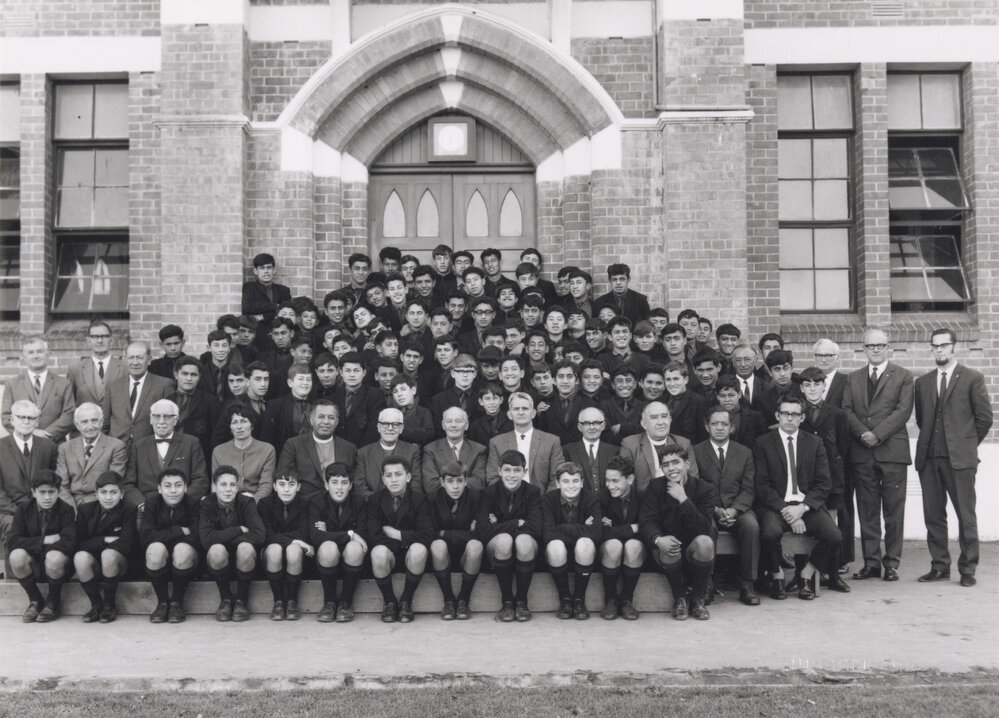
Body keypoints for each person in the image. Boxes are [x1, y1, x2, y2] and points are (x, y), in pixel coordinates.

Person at [914, 329, 993, 588]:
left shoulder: (972, 378)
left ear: (954, 347)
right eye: (935, 346)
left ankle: (968, 568)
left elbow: (984, 419)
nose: (939, 350)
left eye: (944, 345)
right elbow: (922, 420)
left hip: (960, 460)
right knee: (934, 516)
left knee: (965, 515)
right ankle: (939, 566)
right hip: (930, 459)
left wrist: (965, 444)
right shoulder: (923, 383)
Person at [754, 394, 843, 600]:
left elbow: (823, 483)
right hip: (776, 506)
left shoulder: (814, 443)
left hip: (805, 506)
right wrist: (787, 511)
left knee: (834, 536)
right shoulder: (763, 443)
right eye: (785, 413)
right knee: (768, 533)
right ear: (778, 415)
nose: (790, 418)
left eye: (795, 414)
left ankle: (806, 573)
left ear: (802, 418)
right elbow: (762, 485)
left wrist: (802, 509)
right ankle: (776, 574)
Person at [842, 328, 914, 582]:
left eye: (880, 345)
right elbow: (847, 410)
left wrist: (877, 434)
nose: (875, 349)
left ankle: (891, 563)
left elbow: (903, 411)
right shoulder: (852, 378)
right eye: (870, 345)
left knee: (894, 511)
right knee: (867, 510)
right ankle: (871, 563)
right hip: (862, 452)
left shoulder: (903, 376)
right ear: (864, 349)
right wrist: (863, 433)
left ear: (887, 347)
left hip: (892, 451)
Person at [639, 444, 716, 621]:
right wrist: (658, 540)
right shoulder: (655, 487)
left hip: (691, 551)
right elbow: (647, 521)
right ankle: (679, 598)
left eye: (676, 462)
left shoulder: (704, 489)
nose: (671, 468)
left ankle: (697, 599)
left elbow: (704, 527)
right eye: (666, 465)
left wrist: (683, 498)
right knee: (669, 547)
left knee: (705, 542)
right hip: (665, 551)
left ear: (687, 465)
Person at [693, 407, 761, 606]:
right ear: (707, 427)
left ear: (732, 427)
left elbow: (749, 488)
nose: (719, 428)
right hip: (708, 508)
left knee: (752, 526)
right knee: (706, 528)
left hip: (737, 508)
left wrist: (735, 509)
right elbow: (695, 485)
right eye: (714, 424)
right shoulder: (696, 451)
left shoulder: (745, 452)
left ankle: (747, 583)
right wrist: (714, 508)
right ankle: (706, 583)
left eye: (724, 424)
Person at [478, 449, 542, 622]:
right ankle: (507, 601)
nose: (512, 475)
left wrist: (498, 525)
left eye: (517, 470)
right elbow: (483, 531)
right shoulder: (488, 493)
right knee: (505, 539)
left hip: (526, 547)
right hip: (497, 548)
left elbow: (536, 528)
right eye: (507, 470)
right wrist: (517, 523)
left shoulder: (533, 492)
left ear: (524, 471)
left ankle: (521, 601)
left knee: (522, 540)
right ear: (499, 471)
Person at [6, 470, 76, 623]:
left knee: (54, 557)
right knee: (16, 555)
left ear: (58, 492)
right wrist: (44, 540)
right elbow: (12, 540)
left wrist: (34, 545)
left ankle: (53, 601)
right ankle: (35, 600)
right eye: (42, 492)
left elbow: (69, 542)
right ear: (33, 492)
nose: (47, 497)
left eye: (51, 492)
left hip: (58, 567)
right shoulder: (24, 509)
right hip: (35, 565)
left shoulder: (66, 510)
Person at [369, 455, 432, 623]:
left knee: (419, 549)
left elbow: (426, 535)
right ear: (383, 478)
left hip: (412, 556)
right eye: (389, 476)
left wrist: (396, 534)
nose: (394, 480)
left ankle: (405, 601)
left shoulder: (419, 500)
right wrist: (404, 540)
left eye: (399, 474)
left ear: (408, 477)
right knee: (378, 552)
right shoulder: (375, 500)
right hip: (388, 554)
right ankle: (389, 601)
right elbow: (373, 535)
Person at [199, 465, 266, 622]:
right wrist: (238, 529)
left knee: (245, 548)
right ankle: (226, 599)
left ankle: (242, 600)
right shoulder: (207, 504)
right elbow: (206, 539)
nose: (228, 490)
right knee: (216, 550)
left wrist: (227, 541)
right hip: (218, 559)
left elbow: (259, 535)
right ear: (214, 487)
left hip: (244, 559)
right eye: (223, 485)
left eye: (232, 485)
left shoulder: (247, 502)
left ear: (237, 487)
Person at [72, 471, 137, 623]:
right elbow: (76, 544)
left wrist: (93, 543)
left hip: (122, 564)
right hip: (96, 564)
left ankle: (109, 605)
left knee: (108, 554)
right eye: (104, 492)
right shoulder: (85, 510)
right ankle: (96, 605)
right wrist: (105, 539)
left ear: (121, 494)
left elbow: (126, 544)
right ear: (96, 493)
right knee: (80, 556)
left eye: (113, 492)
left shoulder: (129, 510)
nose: (108, 497)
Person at [308, 462, 369, 622]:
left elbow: (363, 536)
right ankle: (329, 602)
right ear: (327, 485)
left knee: (355, 547)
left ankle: (345, 602)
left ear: (351, 485)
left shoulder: (359, 502)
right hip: (326, 562)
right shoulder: (317, 502)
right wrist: (349, 533)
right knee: (328, 547)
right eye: (334, 483)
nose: (339, 488)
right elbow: (316, 537)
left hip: (354, 562)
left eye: (344, 482)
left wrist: (329, 532)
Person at [542, 461, 602, 620]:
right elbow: (547, 534)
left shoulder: (591, 499)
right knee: (555, 545)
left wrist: (561, 528)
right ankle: (565, 600)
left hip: (584, 556)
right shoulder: (548, 499)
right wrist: (581, 528)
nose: (571, 486)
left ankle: (579, 599)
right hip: (556, 555)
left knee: (585, 544)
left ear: (582, 482)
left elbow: (596, 533)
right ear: (557, 483)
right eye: (565, 481)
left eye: (575, 481)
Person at [140, 467, 201, 624]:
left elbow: (197, 536)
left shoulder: (193, 503)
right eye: (167, 486)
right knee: (155, 550)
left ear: (186, 487)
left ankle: (176, 602)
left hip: (187, 556)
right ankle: (162, 603)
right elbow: (146, 537)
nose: (173, 490)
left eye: (178, 485)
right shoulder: (152, 503)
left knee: (182, 550)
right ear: (159, 489)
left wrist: (165, 535)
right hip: (162, 554)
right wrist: (179, 530)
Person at [124, 399, 208, 509]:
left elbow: (201, 480)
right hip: (147, 510)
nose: (161, 421)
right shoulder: (138, 446)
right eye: (156, 416)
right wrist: (142, 504)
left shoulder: (191, 443)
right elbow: (129, 484)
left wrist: (181, 502)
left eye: (167, 417)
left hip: (183, 508)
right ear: (150, 419)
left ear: (176, 420)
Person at [428, 460, 483, 620]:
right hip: (440, 556)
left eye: (460, 481)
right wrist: (466, 533)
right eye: (450, 481)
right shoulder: (432, 499)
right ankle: (449, 601)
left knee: (476, 545)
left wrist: (444, 532)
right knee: (437, 545)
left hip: (468, 556)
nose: (456, 486)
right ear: (442, 482)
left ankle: (464, 600)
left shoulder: (476, 497)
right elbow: (429, 533)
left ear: (466, 481)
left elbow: (484, 528)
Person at [259, 473, 314, 621]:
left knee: (293, 550)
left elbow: (304, 533)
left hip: (298, 557)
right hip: (271, 555)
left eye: (291, 485)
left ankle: (291, 601)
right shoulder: (265, 503)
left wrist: (297, 543)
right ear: (274, 486)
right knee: (275, 549)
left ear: (298, 486)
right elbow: (266, 535)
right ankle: (278, 601)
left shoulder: (305, 502)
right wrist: (296, 541)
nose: (286, 490)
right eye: (282, 485)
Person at [1, 401, 58, 543]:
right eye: (21, 417)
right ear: (12, 420)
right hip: (8, 511)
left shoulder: (49, 447)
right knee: (13, 528)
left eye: (31, 418)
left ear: (37, 422)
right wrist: (20, 513)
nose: (26, 421)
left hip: (42, 509)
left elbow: (54, 482)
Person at [486, 393, 566, 492]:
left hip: (541, 501)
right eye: (516, 409)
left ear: (533, 413)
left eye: (525, 408)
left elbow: (557, 477)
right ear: (509, 415)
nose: (521, 412)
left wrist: (546, 502)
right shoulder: (496, 442)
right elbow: (492, 478)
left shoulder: (551, 441)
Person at [1, 336, 75, 443]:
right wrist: (31, 432)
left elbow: (69, 414)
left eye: (40, 351)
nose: (35, 356)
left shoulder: (63, 383)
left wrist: (47, 434)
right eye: (31, 352)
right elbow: (6, 417)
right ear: (25, 357)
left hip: (54, 444)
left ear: (48, 354)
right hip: (23, 444)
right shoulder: (12, 384)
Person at [101, 341, 175, 444]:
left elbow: (170, 422)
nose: (135, 362)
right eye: (131, 358)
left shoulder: (164, 385)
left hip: (149, 447)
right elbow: (104, 423)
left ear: (149, 360)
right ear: (126, 360)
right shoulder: (113, 386)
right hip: (117, 447)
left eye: (140, 358)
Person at [598, 455, 643, 620]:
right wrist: (632, 528)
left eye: (615, 481)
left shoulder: (643, 498)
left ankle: (626, 600)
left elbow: (647, 528)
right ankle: (610, 599)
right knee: (614, 544)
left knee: (633, 545)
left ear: (630, 479)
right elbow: (600, 532)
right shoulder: (601, 499)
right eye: (607, 480)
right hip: (608, 551)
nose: (610, 486)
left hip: (637, 552)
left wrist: (617, 530)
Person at [56, 403, 128, 507]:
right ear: (77, 425)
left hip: (100, 505)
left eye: (94, 420)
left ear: (101, 421)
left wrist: (91, 511)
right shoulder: (65, 448)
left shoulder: (116, 446)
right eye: (84, 422)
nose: (90, 426)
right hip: (71, 504)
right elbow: (62, 486)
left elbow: (112, 485)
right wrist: (71, 510)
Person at [619, 401, 698, 492]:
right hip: (643, 501)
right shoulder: (630, 445)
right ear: (644, 424)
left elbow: (693, 481)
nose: (661, 422)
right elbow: (626, 484)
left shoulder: (684, 443)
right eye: (654, 417)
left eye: (664, 416)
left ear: (670, 420)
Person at [353, 408, 422, 497]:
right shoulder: (363, 453)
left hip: (404, 506)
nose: (390, 428)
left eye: (395, 424)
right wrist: (378, 502)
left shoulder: (412, 451)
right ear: (379, 427)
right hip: (372, 506)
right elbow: (360, 487)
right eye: (385, 424)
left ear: (401, 428)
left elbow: (416, 484)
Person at [421, 407, 488, 492]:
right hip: (441, 503)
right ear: (443, 425)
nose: (453, 425)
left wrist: (448, 482)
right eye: (449, 421)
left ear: (466, 425)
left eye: (458, 421)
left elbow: (478, 483)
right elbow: (431, 485)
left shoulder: (479, 450)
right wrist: (462, 482)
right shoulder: (430, 450)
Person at [169, 357, 221, 460]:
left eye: (193, 375)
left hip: (199, 457)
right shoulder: (167, 401)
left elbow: (216, 436)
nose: (189, 378)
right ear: (176, 375)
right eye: (184, 374)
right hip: (170, 454)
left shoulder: (210, 401)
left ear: (199, 376)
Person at [68, 320, 126, 406]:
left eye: (104, 336)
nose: (100, 340)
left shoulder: (125, 368)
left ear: (112, 340)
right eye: (95, 337)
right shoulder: (75, 369)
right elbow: (70, 402)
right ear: (88, 341)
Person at [563, 407, 619, 492]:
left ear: (603, 426)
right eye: (586, 423)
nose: (592, 427)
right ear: (580, 427)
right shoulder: (568, 450)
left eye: (596, 423)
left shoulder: (614, 451)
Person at [242, 252, 292, 324]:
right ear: (255, 271)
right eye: (262, 268)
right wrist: (274, 306)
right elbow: (247, 308)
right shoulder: (249, 287)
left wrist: (263, 317)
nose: (266, 271)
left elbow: (286, 313)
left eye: (269, 267)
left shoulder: (284, 290)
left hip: (278, 330)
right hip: (257, 331)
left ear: (274, 270)